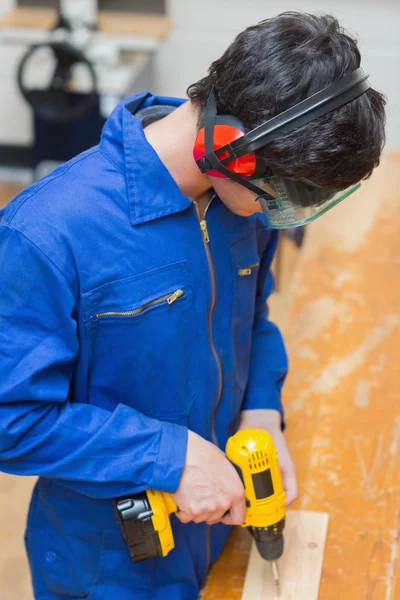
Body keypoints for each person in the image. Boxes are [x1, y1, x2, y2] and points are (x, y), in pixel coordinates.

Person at [0, 11, 385, 600]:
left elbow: (253, 319)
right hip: (112, 558)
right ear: (229, 146)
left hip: (220, 524)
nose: (274, 216)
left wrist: (261, 411)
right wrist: (169, 455)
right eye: (282, 197)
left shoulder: (241, 204)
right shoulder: (50, 232)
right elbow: (11, 420)